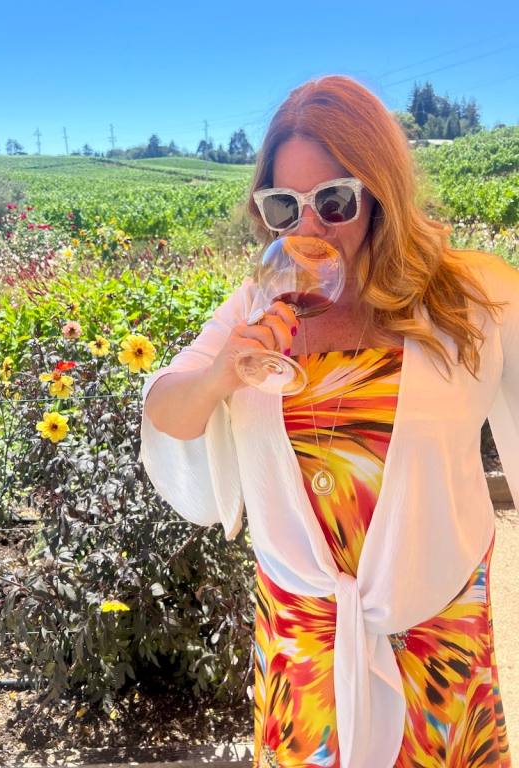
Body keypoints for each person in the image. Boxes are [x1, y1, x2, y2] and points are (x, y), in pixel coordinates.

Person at [141, 75, 518, 768]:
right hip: (303, 646)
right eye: (285, 207)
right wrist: (226, 370)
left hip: (437, 641)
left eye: (334, 201)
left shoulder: (469, 300)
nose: (308, 229)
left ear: (380, 195)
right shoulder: (256, 302)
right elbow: (167, 410)